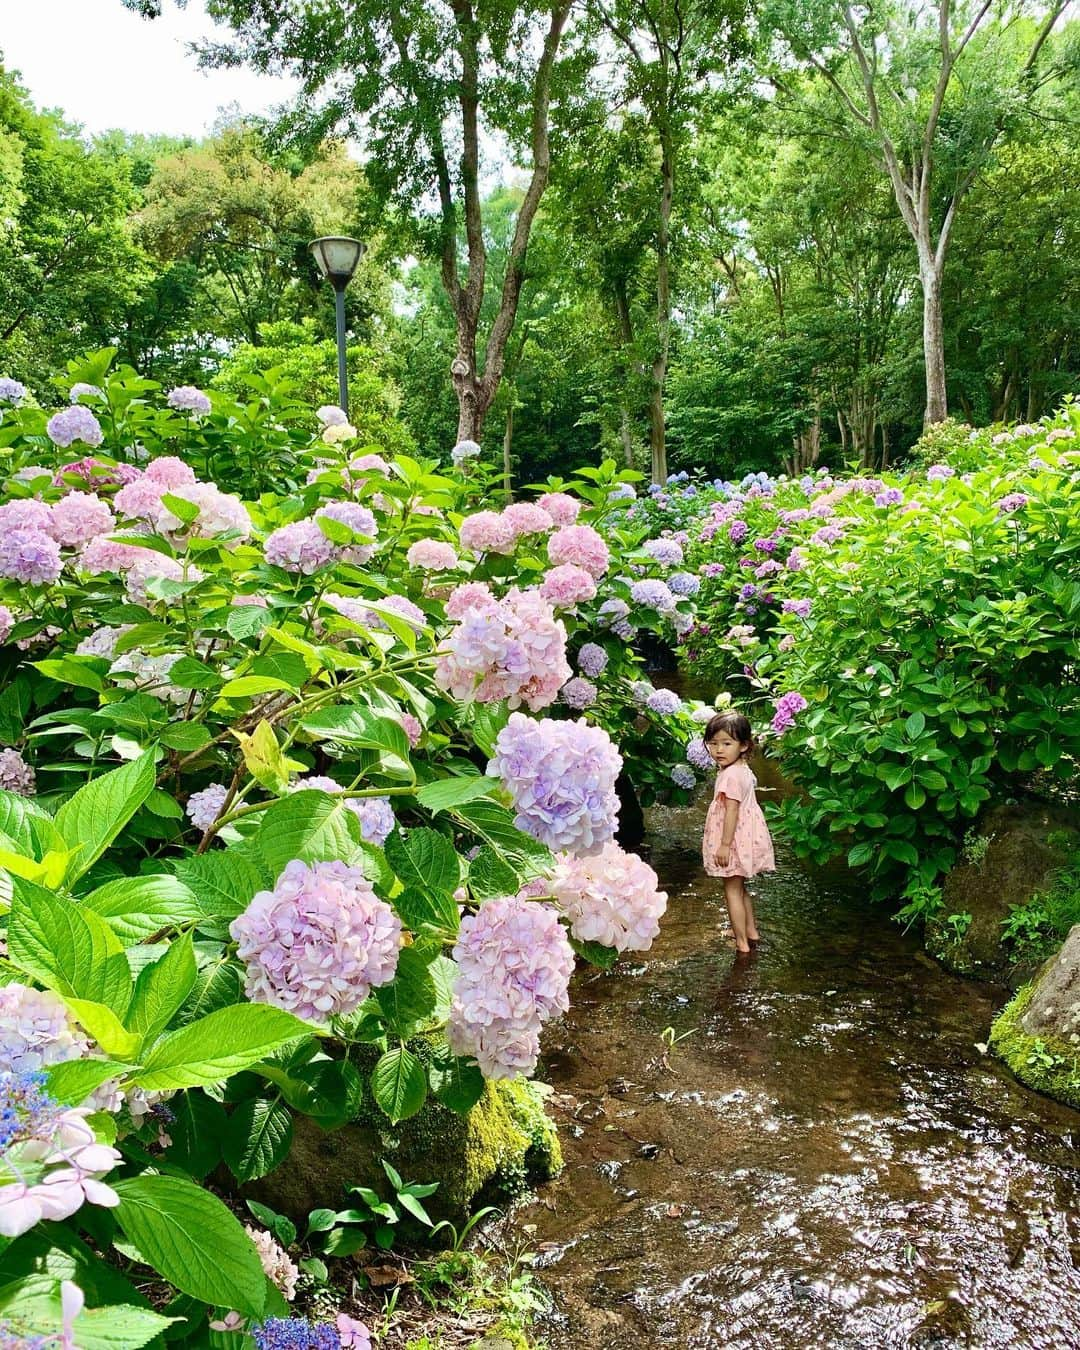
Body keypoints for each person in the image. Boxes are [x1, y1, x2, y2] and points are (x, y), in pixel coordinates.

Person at [701, 711, 775, 955]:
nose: (718, 750)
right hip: (746, 836)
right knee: (740, 886)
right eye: (713, 743)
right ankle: (750, 931)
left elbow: (731, 811)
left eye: (726, 743)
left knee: (731, 889)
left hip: (733, 839)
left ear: (743, 746)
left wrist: (724, 845)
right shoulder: (742, 769)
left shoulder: (730, 776)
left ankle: (741, 942)